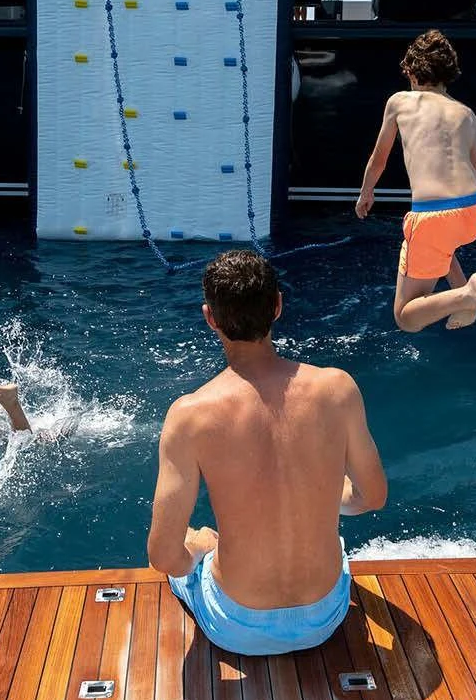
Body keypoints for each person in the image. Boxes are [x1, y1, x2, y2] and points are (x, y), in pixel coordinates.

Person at [146, 250, 386, 656]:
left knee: (190, 539)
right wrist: (324, 495)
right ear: (277, 305)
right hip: (326, 616)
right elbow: (372, 497)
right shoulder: (337, 389)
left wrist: (201, 550)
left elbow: (164, 556)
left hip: (236, 626)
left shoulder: (190, 415)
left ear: (210, 318)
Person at [353, 29, 476, 334]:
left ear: (410, 72)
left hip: (434, 215)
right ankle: (465, 298)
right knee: (442, 241)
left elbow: (378, 160)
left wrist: (366, 193)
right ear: (448, 75)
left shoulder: (399, 101)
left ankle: (470, 294)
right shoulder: (467, 114)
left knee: (405, 318)